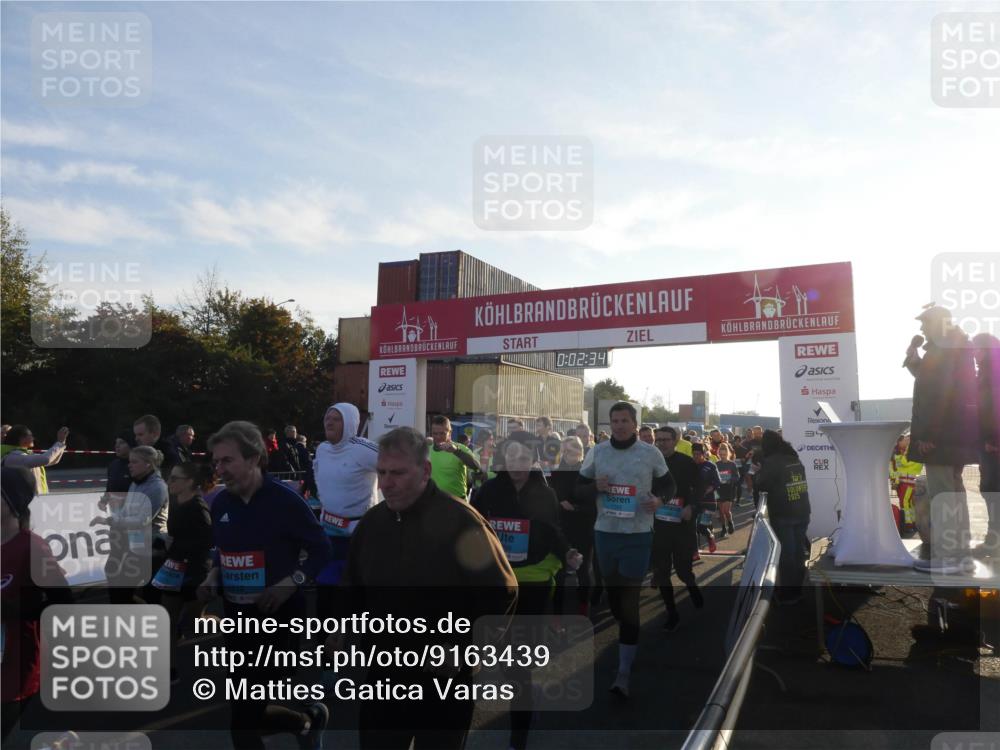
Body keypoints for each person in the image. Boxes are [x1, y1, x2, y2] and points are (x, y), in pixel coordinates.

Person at [342, 426, 518, 750]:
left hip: (444, 683)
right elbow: (353, 588)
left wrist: (467, 651)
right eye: (381, 472)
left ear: (425, 470)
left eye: (397, 473)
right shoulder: (372, 524)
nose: (385, 483)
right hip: (385, 678)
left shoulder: (463, 521)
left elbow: (501, 592)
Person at [197, 421, 332, 750]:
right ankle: (307, 722)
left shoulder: (285, 501)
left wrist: (291, 582)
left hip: (281, 622)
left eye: (227, 460)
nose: (219, 468)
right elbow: (223, 552)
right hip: (238, 623)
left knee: (245, 716)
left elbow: (321, 550)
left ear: (255, 458)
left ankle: (307, 721)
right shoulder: (221, 504)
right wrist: (213, 576)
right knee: (244, 717)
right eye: (216, 462)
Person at [472, 438, 581, 750]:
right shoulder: (489, 491)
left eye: (523, 457)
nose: (517, 463)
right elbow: (471, 526)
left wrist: (568, 552)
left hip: (533, 582)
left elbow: (553, 530)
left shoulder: (544, 494)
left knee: (518, 664)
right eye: (511, 456)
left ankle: (518, 732)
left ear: (532, 460)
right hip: (497, 581)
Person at [577, 402, 674, 697]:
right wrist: (595, 486)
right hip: (605, 534)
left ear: (634, 424)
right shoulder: (598, 452)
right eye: (614, 421)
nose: (618, 425)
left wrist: (659, 501)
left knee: (629, 602)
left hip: (638, 534)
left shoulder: (650, 452)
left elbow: (670, 485)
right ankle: (625, 637)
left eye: (624, 420)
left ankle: (623, 673)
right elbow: (577, 491)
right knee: (615, 597)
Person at [1, 468, 72, 742]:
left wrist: (13, 611)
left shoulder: (32, 548)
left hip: (16, 665)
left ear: (13, 503)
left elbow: (62, 605)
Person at [904, 305, 980, 560]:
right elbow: (936, 384)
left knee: (943, 495)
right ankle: (959, 546)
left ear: (937, 323)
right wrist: (915, 362)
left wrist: (929, 436)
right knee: (955, 491)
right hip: (953, 435)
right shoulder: (953, 347)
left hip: (941, 438)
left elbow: (939, 396)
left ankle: (948, 552)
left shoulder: (944, 349)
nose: (922, 329)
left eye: (925, 323)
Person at [150, 461, 213, 683]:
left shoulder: (198, 507)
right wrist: (165, 544)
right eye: (170, 477)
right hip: (174, 567)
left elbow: (207, 542)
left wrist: (177, 546)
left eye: (175, 479)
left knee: (194, 620)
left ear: (190, 483)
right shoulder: (175, 501)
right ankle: (169, 670)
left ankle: (213, 621)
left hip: (195, 572)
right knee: (167, 619)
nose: (170, 482)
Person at [91, 445, 169, 605]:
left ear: (148, 464)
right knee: (119, 587)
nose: (129, 465)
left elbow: (142, 521)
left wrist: (111, 521)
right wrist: (110, 517)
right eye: (129, 461)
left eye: (134, 462)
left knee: (147, 594)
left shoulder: (158, 487)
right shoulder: (136, 483)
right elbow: (126, 512)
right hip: (137, 546)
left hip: (153, 549)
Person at [312, 403, 379, 584]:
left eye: (336, 419)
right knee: (326, 593)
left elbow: (395, 466)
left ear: (350, 423)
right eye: (327, 418)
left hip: (358, 537)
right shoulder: (322, 449)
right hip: (328, 534)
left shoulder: (363, 449)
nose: (329, 423)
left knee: (355, 595)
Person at [651, 427, 703, 631]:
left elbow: (699, 487)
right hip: (659, 526)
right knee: (662, 571)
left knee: (683, 570)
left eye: (665, 439)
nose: (661, 443)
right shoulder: (651, 462)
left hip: (682, 524)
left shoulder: (686, 462)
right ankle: (671, 613)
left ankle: (691, 585)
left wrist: (692, 506)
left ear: (675, 441)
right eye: (658, 440)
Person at [753, 430, 811, 604]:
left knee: (787, 555)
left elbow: (761, 484)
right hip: (803, 510)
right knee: (798, 553)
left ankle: (789, 594)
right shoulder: (794, 458)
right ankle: (797, 589)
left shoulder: (771, 462)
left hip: (784, 513)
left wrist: (757, 473)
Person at [548, 435, 600, 615]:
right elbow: (551, 497)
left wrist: (575, 507)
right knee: (559, 571)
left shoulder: (589, 472)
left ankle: (583, 606)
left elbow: (595, 503)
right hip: (561, 527)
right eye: (566, 449)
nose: (570, 453)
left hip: (584, 525)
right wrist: (559, 502)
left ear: (581, 451)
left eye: (574, 449)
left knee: (583, 570)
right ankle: (557, 612)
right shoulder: (555, 471)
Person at [973, 333, 999, 553]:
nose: (973, 353)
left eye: (977, 349)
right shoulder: (984, 374)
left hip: (992, 444)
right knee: (990, 489)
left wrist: (992, 439)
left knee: (993, 490)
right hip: (986, 443)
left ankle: (994, 541)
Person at [0, 424, 69, 494]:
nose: (33, 438)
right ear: (21, 438)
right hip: (27, 501)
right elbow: (46, 459)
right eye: (30, 435)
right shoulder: (13, 456)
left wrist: (62, 443)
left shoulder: (24, 454)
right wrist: (59, 443)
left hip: (37, 500)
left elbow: (53, 461)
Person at [428, 415, 481, 500]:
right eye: (435, 433)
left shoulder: (459, 448)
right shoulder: (426, 450)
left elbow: (476, 466)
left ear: (450, 433)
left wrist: (456, 451)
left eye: (442, 433)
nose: (438, 437)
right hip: (433, 502)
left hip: (457, 502)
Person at [692, 443, 723, 554]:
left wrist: (708, 490)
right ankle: (695, 552)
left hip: (708, 501)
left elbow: (718, 482)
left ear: (704, 454)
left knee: (701, 527)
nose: (696, 456)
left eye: (698, 454)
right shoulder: (690, 465)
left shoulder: (710, 465)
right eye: (694, 454)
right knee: (692, 527)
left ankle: (710, 538)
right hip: (694, 501)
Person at [890, 433, 923, 535]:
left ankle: (908, 525)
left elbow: (903, 463)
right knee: (908, 503)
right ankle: (911, 523)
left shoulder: (906, 452)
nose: (906, 441)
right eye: (905, 439)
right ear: (898, 442)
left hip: (906, 482)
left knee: (905, 503)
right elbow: (894, 469)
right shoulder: (899, 454)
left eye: (907, 439)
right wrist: (894, 481)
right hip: (904, 482)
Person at [715, 443, 740, 537]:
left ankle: (730, 522)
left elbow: (737, 477)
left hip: (729, 489)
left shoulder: (732, 464)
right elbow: (713, 477)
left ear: (728, 454)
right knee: (721, 511)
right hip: (719, 490)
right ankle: (723, 528)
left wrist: (729, 480)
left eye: (724, 455)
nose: (722, 456)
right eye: (721, 455)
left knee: (726, 511)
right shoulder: (716, 464)